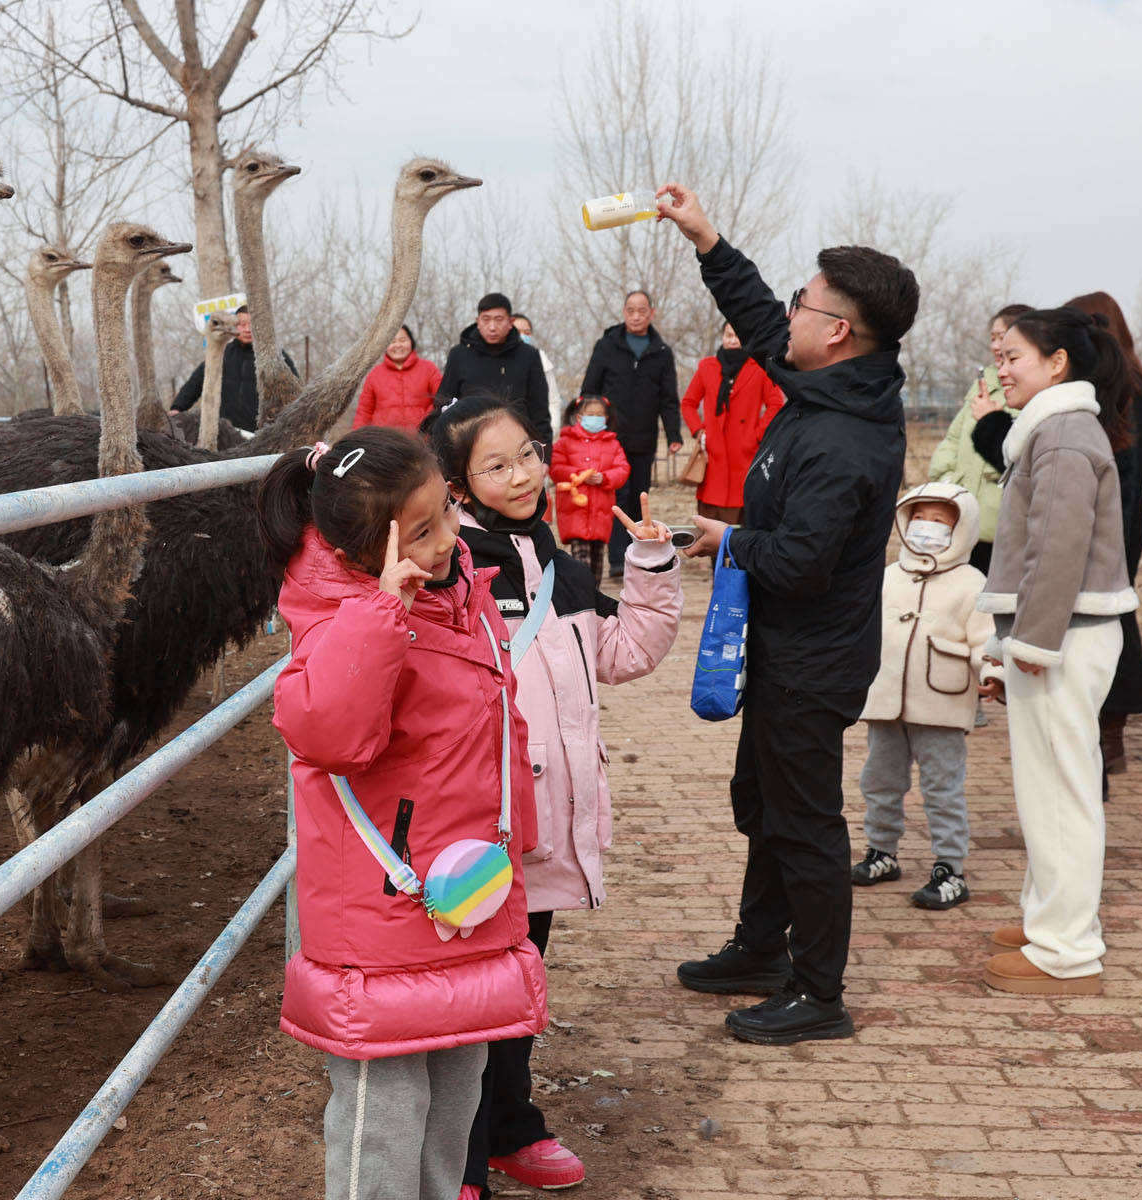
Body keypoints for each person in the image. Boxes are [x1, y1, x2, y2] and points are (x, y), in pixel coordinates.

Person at [258, 426, 547, 1200]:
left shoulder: (461, 594)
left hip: (463, 893)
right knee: (383, 1109)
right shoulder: (340, 622)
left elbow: (496, 728)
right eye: (421, 533)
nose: (449, 540)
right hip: (384, 910)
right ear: (358, 554)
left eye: (446, 514)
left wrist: (523, 836)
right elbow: (329, 735)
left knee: (456, 1096)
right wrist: (382, 612)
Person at [657, 180, 917, 1045]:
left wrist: (723, 539)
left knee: (803, 822)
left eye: (807, 303)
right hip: (784, 647)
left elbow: (802, 564)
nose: (790, 314)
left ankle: (818, 991)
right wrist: (707, 241)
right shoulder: (832, 388)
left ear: (838, 330)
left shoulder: (845, 438)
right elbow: (765, 325)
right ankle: (760, 947)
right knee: (763, 799)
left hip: (812, 660)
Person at [428, 394, 682, 1199]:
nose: (524, 474)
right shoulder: (448, 568)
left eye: (529, 454)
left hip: (544, 828)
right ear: (458, 487)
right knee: (471, 999)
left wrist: (648, 568)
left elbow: (625, 652)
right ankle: (461, 1159)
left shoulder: (557, 563)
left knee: (522, 983)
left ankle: (510, 1127)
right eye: (495, 465)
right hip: (479, 830)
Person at [975, 306, 1142, 995]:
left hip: (1066, 635)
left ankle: (1067, 951)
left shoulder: (1066, 434)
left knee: (1063, 792)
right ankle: (1051, 919)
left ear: (1057, 363)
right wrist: (1004, 646)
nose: (1002, 369)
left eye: (1014, 356)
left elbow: (1057, 550)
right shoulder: (1054, 430)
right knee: (1044, 790)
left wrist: (1031, 644)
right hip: (1055, 633)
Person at [853, 483, 996, 911]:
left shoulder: (972, 583)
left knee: (942, 787)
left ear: (963, 530)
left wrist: (991, 671)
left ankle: (949, 867)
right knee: (880, 780)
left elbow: (987, 639)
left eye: (940, 522)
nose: (925, 529)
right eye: (919, 518)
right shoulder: (888, 575)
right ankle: (882, 851)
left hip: (942, 701)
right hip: (885, 698)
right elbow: (861, 628)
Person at [1067, 294, 1142, 784]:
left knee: (1102, 614)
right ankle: (1110, 736)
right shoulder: (1137, 385)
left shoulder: (1106, 391)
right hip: (1127, 518)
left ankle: (1105, 734)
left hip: (1104, 514)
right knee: (1116, 610)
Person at [580, 290, 682, 578]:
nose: (635, 316)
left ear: (652, 313)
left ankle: (637, 556)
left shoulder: (661, 352)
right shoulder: (607, 345)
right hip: (609, 439)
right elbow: (590, 389)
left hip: (644, 438)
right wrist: (588, 424)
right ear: (623, 312)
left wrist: (673, 433)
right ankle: (614, 560)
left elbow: (668, 398)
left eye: (641, 310)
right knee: (615, 498)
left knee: (640, 497)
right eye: (630, 310)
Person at [929, 304, 1033, 575]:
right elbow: (952, 440)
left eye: (1005, 338)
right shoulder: (983, 383)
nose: (997, 346)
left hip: (999, 525)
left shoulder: (1029, 391)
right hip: (960, 514)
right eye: (993, 338)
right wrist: (947, 480)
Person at [680, 323, 784, 523]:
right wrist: (698, 431)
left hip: (745, 453)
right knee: (711, 521)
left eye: (737, 335)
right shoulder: (707, 367)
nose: (733, 340)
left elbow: (776, 403)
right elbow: (688, 403)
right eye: (728, 335)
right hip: (714, 453)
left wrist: (758, 434)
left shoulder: (759, 368)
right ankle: (715, 555)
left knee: (743, 518)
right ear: (722, 337)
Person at [433, 292, 556, 435]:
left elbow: (540, 413)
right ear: (477, 321)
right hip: (469, 441)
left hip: (516, 441)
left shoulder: (529, 356)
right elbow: (443, 404)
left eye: (499, 319)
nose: (492, 327)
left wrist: (542, 453)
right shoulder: (459, 355)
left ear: (510, 322)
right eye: (486, 319)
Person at [171, 306, 295, 433]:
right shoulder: (221, 355)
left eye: (252, 325)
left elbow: (294, 393)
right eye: (241, 324)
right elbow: (196, 382)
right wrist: (178, 408)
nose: (247, 329)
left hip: (262, 435)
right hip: (225, 433)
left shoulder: (276, 356)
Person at [548, 396, 631, 579]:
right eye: (591, 414)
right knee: (581, 561)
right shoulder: (565, 441)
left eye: (600, 415)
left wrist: (604, 478)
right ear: (579, 417)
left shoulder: (613, 443)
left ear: (606, 418)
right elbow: (556, 468)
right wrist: (579, 474)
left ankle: (594, 597)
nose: (596, 418)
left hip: (601, 512)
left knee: (597, 562)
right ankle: (583, 595)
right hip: (575, 510)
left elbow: (623, 469)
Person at [353, 323, 442, 430]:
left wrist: (427, 421)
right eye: (392, 341)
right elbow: (364, 412)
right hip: (385, 441)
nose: (398, 345)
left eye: (402, 340)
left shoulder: (429, 368)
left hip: (422, 440)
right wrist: (356, 440)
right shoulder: (375, 374)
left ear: (411, 342)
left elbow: (441, 398)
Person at [511, 313, 567, 439]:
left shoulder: (540, 358)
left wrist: (550, 428)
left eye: (527, 332)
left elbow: (553, 399)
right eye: (518, 331)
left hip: (536, 434)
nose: (523, 335)